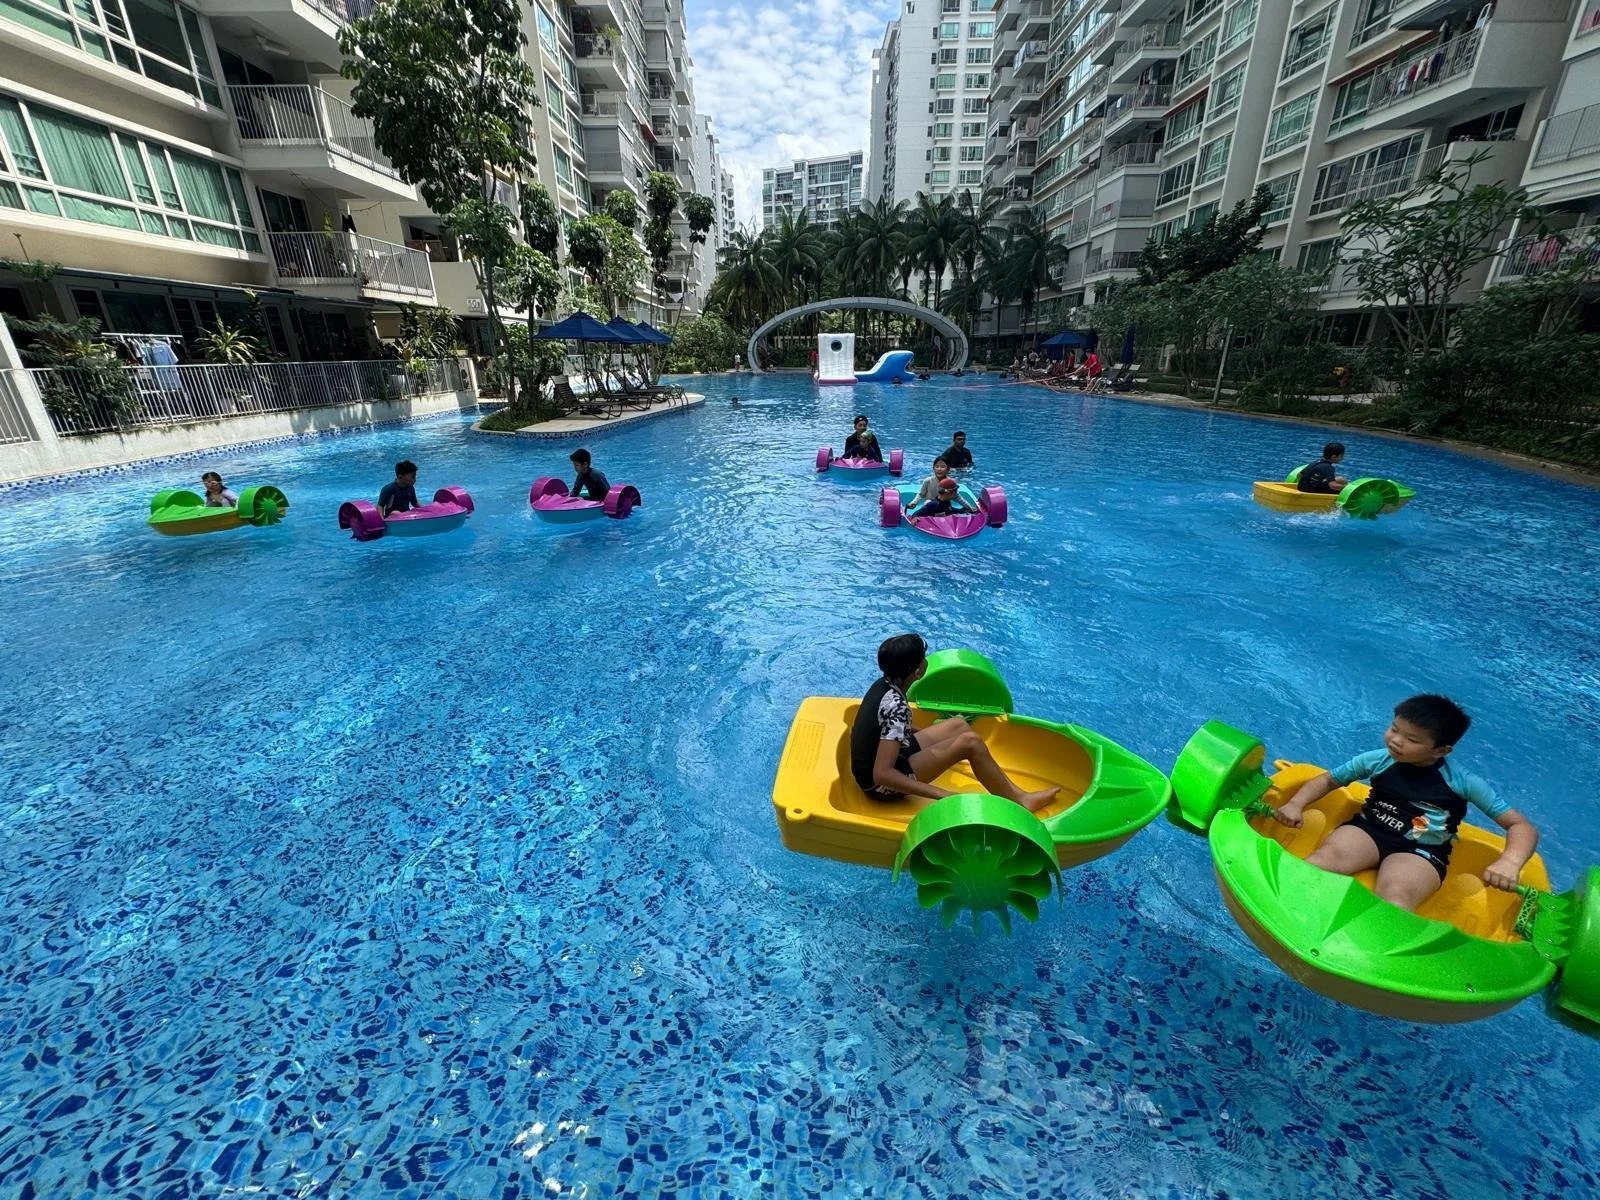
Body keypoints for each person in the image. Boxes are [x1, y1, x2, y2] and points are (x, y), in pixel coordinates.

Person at [1273, 695, 1538, 911]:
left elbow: (1520, 826)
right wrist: (1296, 804)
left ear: (1441, 750)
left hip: (1420, 851)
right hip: (1369, 831)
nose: (1395, 740)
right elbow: (1329, 780)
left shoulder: (1462, 782)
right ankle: (1281, 908)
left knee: (1396, 897)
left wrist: (1510, 863)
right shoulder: (1378, 759)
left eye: (1412, 739)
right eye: (1394, 729)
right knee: (1320, 862)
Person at [850, 634, 1059, 813]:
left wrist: (934, 741)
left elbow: (886, 729)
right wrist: (942, 794)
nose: (926, 661)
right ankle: (1021, 801)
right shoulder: (896, 706)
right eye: (923, 659)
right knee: (971, 742)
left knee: (958, 726)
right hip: (879, 787)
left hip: (886, 757)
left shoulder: (885, 684)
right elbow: (882, 774)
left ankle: (983, 767)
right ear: (917, 671)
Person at [912, 478, 977, 519]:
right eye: (956, 491)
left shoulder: (947, 502)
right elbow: (917, 513)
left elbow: (950, 511)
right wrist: (915, 517)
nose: (957, 494)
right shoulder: (933, 504)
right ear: (948, 493)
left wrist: (964, 510)